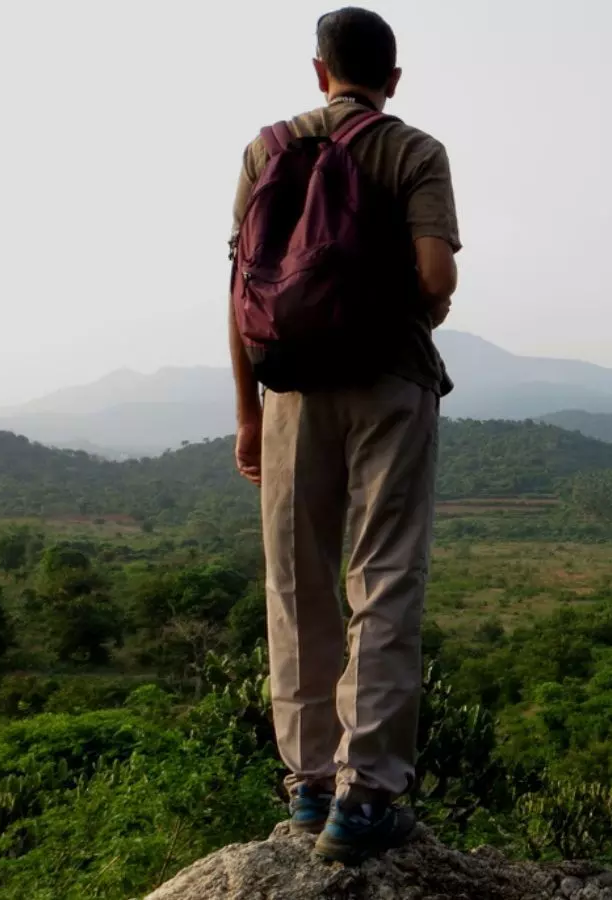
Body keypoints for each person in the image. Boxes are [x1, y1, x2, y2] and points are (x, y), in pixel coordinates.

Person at [227, 6, 459, 864]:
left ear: (319, 71)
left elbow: (242, 285)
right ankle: (366, 799)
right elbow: (435, 273)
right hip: (390, 380)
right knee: (386, 575)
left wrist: (249, 412)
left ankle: (309, 783)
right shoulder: (412, 149)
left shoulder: (268, 148)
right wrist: (418, 307)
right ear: (392, 80)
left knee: (296, 581)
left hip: (288, 390)